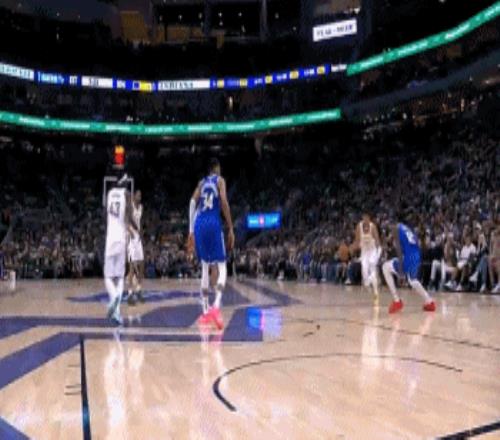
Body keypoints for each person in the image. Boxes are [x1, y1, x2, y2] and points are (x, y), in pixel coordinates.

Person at [188, 158, 234, 329]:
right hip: (213, 223)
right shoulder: (220, 181)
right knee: (222, 267)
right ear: (216, 168)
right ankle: (216, 306)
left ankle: (206, 312)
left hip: (199, 223)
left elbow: (192, 203)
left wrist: (190, 230)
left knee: (204, 268)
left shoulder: (201, 183)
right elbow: (224, 201)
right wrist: (230, 227)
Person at [382, 220, 436, 314]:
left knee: (385, 267)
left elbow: (399, 251)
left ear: (391, 226)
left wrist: (401, 271)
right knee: (413, 281)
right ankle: (429, 302)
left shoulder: (395, 230)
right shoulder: (404, 227)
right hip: (416, 255)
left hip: (409, 257)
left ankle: (397, 301)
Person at [104, 175, 137, 325]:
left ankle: (114, 302)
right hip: (121, 239)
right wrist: (135, 228)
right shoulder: (126, 195)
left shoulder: (110, 194)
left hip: (110, 239)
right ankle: (116, 306)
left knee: (108, 277)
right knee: (120, 277)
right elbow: (128, 217)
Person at [351, 213, 382, 301]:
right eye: (363, 218)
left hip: (372, 251)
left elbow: (377, 240)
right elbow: (357, 241)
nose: (365, 219)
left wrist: (379, 251)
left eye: (367, 218)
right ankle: (370, 281)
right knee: (364, 271)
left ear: (369, 218)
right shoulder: (359, 226)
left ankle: (376, 292)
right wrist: (353, 248)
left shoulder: (373, 227)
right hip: (364, 252)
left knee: (372, 267)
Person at [127, 190, 145, 305]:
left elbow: (139, 222)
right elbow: (127, 220)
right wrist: (131, 231)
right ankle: (130, 294)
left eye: (140, 195)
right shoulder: (130, 206)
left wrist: (141, 233)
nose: (139, 197)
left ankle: (138, 289)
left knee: (142, 264)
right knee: (132, 267)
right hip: (130, 237)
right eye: (138, 195)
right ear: (134, 196)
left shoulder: (141, 207)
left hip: (138, 238)